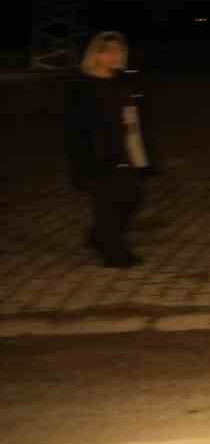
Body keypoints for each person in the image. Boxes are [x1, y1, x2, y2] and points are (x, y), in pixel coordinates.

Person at [65, 31, 147, 268]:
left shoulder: (122, 83)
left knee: (133, 198)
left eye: (119, 51)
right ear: (96, 54)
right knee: (106, 205)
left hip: (123, 152)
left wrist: (141, 155)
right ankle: (115, 254)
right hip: (95, 156)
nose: (114, 55)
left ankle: (99, 236)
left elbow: (133, 121)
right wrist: (80, 165)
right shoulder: (82, 87)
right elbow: (73, 131)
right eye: (107, 51)